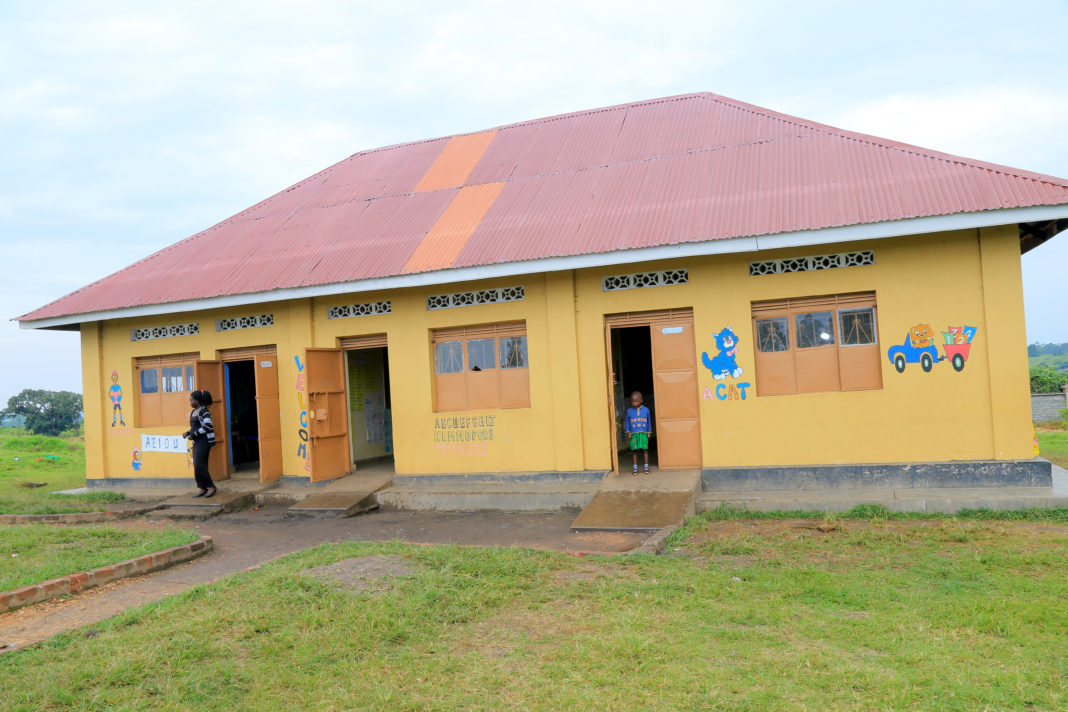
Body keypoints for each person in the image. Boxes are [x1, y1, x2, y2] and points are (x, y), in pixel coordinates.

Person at [183, 389, 217, 498]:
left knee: (200, 465)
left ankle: (211, 487)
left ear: (197, 401)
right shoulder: (194, 412)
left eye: (191, 400)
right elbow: (195, 427)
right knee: (197, 465)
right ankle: (202, 488)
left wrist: (195, 434)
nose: (190, 402)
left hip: (204, 441)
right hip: (196, 441)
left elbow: (208, 426)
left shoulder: (204, 411)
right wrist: (188, 433)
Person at [624, 391, 652, 475]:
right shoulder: (629, 411)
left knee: (645, 450)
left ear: (641, 400)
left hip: (643, 433)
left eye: (636, 401)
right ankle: (635, 468)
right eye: (632, 401)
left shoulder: (646, 410)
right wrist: (628, 432)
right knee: (634, 451)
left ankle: (646, 467)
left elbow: (649, 421)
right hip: (633, 434)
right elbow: (627, 423)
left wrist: (649, 431)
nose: (634, 403)